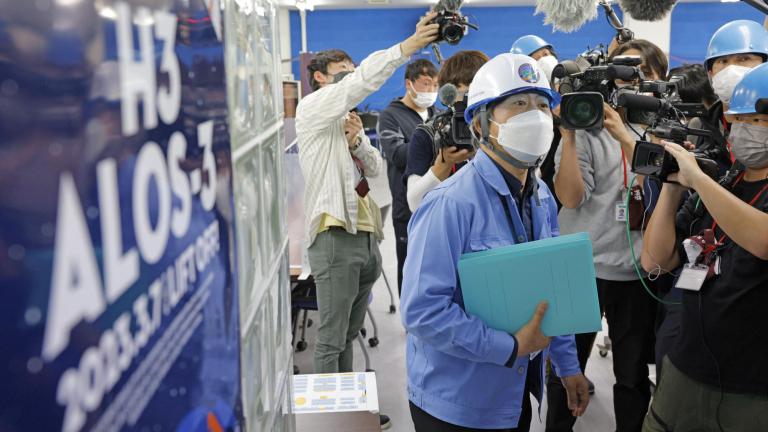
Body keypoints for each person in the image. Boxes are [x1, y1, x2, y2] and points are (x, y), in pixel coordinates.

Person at [401, 53, 590, 432]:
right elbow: (422, 311)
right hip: (455, 404)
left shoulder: (541, 198)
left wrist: (567, 366)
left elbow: (552, 289)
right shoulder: (449, 203)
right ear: (480, 121)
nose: (534, 116)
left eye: (541, 105)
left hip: (514, 393)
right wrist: (510, 347)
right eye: (518, 104)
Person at [295, 13, 438, 429]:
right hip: (334, 236)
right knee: (330, 339)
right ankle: (328, 422)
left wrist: (357, 139)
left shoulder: (344, 121)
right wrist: (405, 49)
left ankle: (348, 415)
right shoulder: (312, 111)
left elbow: (375, 170)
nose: (350, 80)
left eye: (351, 73)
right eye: (341, 75)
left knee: (348, 335)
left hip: (363, 236)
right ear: (320, 79)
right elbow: (364, 84)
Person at [641, 62, 768, 432]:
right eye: (742, 120)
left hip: (753, 391)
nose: (750, 130)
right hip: (685, 368)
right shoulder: (725, 182)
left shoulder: (712, 187)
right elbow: (656, 259)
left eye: (762, 121)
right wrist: (672, 186)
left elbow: (761, 240)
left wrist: (698, 178)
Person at [551, 39, 668, 432]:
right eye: (625, 74)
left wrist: (624, 134)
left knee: (632, 376)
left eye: (644, 74)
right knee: (566, 369)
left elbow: (667, 179)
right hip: (581, 270)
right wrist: (568, 136)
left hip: (635, 273)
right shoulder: (585, 126)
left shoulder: (664, 132)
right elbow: (569, 197)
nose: (633, 83)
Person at [377, 59, 438, 294]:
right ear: (409, 84)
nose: (431, 91)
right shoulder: (390, 116)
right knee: (410, 267)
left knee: (437, 266)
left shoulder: (437, 113)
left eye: (435, 85)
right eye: (425, 84)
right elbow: (397, 155)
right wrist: (431, 142)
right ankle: (410, 323)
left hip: (439, 202)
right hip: (407, 208)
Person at [404, 50, 488, 211]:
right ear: (447, 93)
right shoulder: (429, 133)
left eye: (474, 84)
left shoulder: (500, 128)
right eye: (458, 87)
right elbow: (414, 202)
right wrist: (444, 164)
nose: (466, 94)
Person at [700, 20, 768, 165]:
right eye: (723, 61)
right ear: (711, 73)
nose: (731, 69)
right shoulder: (700, 128)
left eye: (744, 59)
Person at [511, 34, 562, 210]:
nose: (545, 59)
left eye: (546, 53)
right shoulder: (521, 102)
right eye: (537, 57)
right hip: (542, 178)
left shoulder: (569, 89)